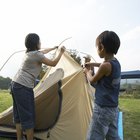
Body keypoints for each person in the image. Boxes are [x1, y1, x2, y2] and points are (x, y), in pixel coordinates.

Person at [10, 33, 65, 140]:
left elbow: (43, 52)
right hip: (23, 87)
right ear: (36, 43)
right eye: (39, 41)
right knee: (28, 116)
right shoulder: (36, 55)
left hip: (15, 84)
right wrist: (61, 52)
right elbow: (53, 63)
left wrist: (53, 48)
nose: (40, 43)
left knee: (18, 117)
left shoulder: (30, 54)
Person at [84, 31, 121, 140]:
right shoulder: (115, 63)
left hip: (102, 110)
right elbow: (103, 65)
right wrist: (92, 64)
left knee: (93, 137)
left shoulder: (105, 67)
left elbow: (92, 80)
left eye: (97, 47)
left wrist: (87, 72)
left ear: (102, 47)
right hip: (113, 109)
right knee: (113, 136)